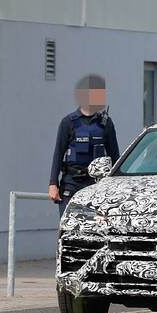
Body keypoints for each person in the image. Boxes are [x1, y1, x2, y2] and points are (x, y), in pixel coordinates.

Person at [49, 74, 120, 215]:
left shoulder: (105, 124)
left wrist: (116, 186)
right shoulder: (68, 122)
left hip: (96, 185)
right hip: (71, 183)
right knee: (68, 227)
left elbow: (115, 157)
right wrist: (53, 184)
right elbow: (58, 153)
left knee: (92, 229)